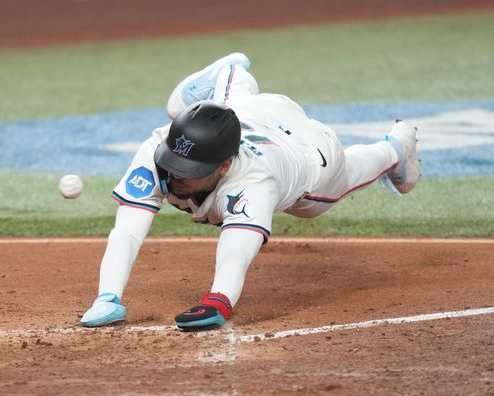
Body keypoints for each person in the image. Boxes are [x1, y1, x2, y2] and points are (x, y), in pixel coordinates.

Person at [80, 52, 420, 331]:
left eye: (191, 171)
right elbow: (127, 230)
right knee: (222, 105)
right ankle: (231, 70)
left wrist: (218, 301)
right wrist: (107, 297)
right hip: (254, 114)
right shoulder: (159, 149)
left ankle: (396, 146)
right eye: (175, 163)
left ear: (225, 167)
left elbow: (236, 253)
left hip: (311, 153)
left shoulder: (256, 181)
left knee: (324, 197)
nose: (177, 175)